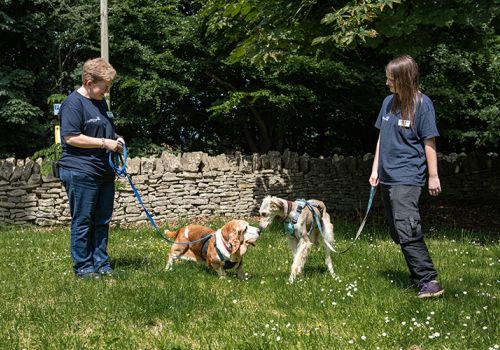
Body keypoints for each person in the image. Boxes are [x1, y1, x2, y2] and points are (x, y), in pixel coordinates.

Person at [369, 55, 444, 298]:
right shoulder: (388, 102)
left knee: (407, 228)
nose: (387, 82)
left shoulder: (423, 104)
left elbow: (429, 141)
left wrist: (433, 176)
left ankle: (429, 281)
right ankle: (417, 276)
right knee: (397, 230)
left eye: (391, 78)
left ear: (403, 78)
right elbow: (382, 137)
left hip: (408, 176)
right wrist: (375, 169)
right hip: (387, 176)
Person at [58, 58, 124, 279]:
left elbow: (105, 130)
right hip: (80, 171)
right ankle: (83, 267)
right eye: (104, 87)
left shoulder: (100, 103)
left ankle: (101, 263)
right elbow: (70, 137)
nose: (106, 91)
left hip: (104, 171)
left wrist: (117, 138)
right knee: (84, 220)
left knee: (102, 220)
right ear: (88, 82)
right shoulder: (72, 104)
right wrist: (105, 143)